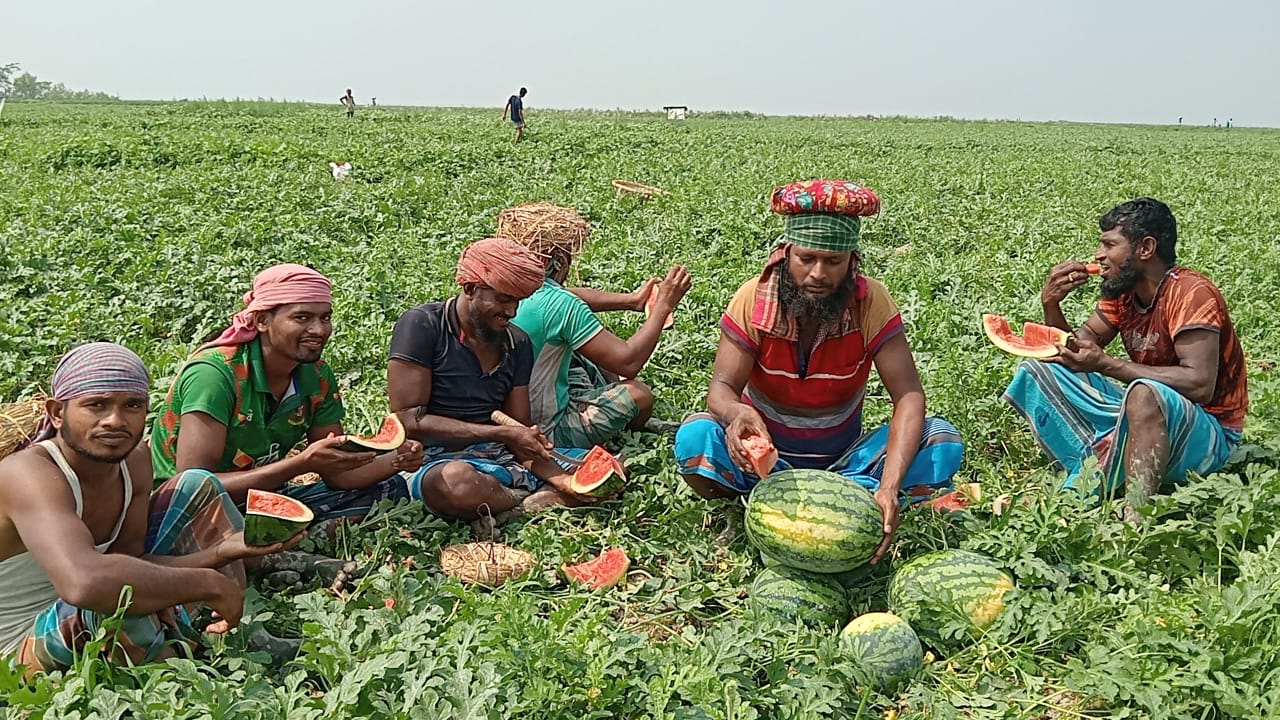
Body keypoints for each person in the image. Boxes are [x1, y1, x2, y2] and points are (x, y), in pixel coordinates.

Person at [673, 180, 963, 561]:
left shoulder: (871, 303)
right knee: (696, 437)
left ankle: (860, 499)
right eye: (806, 259)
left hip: (846, 461)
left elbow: (909, 395)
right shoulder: (751, 299)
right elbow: (721, 389)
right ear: (786, 253)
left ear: (852, 261)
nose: (818, 274)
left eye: (833, 261)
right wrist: (737, 412)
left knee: (941, 438)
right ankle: (753, 506)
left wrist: (889, 485)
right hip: (762, 461)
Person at [0, 343, 298, 673]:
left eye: (132, 405)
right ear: (57, 413)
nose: (114, 420)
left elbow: (133, 562)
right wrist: (207, 584)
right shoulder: (27, 474)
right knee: (117, 597)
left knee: (195, 484)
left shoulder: (135, 460)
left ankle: (231, 636)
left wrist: (220, 553)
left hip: (84, 601)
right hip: (17, 646)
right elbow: (83, 582)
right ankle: (183, 677)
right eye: (96, 405)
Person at [1003, 198, 1247, 517]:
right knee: (1039, 368)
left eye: (1109, 244)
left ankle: (1133, 516)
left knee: (1144, 394)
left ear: (1145, 248)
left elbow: (1200, 385)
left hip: (1210, 435)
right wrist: (1052, 304)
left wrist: (1107, 364)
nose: (1099, 256)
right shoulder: (1123, 294)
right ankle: (1099, 463)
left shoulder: (1191, 294)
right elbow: (1076, 351)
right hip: (1148, 413)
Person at [151, 264, 422, 526]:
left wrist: (397, 460)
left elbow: (339, 475)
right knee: (207, 523)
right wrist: (299, 464)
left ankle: (283, 543)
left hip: (260, 498)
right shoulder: (215, 375)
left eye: (325, 318)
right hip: (182, 512)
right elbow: (193, 488)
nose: (319, 330)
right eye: (302, 318)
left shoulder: (316, 375)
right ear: (261, 321)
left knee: (390, 487)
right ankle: (295, 544)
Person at [388, 238, 600, 522]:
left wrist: (558, 474)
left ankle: (508, 502)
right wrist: (499, 433)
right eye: (503, 299)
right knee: (457, 483)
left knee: (612, 468)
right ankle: (525, 502)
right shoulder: (422, 325)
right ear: (471, 288)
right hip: (432, 458)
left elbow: (518, 430)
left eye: (517, 301)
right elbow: (409, 422)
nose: (511, 311)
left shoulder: (517, 342)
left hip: (498, 457)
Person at [507, 203, 691, 449]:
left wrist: (631, 301)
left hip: (505, 415)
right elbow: (629, 362)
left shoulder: (506, 285)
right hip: (542, 433)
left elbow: (568, 295)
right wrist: (663, 307)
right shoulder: (561, 305)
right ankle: (629, 431)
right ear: (560, 261)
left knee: (586, 349)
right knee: (639, 394)